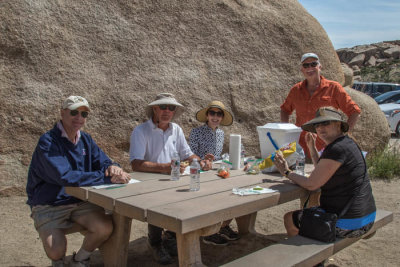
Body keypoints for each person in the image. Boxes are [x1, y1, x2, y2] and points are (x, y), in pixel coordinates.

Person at [26, 96, 131, 267]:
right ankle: (59, 262)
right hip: (49, 203)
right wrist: (106, 177)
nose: (79, 118)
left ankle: (80, 259)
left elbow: (103, 160)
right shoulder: (48, 141)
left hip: (78, 202)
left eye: (84, 114)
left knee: (104, 228)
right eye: (74, 112)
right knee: (56, 250)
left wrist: (113, 167)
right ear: (62, 113)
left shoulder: (85, 139)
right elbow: (65, 176)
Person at [129, 93, 212, 265]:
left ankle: (171, 236)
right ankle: (155, 243)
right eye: (163, 107)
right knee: (157, 205)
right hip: (149, 182)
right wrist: (165, 168)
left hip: (173, 178)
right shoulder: (141, 130)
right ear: (154, 108)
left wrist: (201, 161)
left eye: (171, 107)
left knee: (189, 195)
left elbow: (188, 155)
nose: (167, 111)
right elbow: (136, 164)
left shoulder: (176, 129)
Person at [274, 107, 376, 241]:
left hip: (348, 223)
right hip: (366, 216)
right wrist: (312, 148)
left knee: (290, 219)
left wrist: (286, 172)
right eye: (317, 125)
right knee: (311, 211)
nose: (320, 128)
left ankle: (309, 260)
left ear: (338, 125)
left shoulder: (337, 149)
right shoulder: (347, 143)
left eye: (325, 123)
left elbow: (312, 184)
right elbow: (322, 172)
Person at [280, 53, 361, 158]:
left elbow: (354, 111)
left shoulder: (333, 88)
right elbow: (285, 110)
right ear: (302, 70)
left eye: (313, 64)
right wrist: (287, 133)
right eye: (306, 65)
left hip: (327, 149)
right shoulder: (296, 90)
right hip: (301, 150)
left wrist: (343, 136)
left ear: (320, 66)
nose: (310, 68)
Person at [189, 100, 239, 245]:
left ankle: (222, 226)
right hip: (199, 173)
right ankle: (209, 232)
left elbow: (217, 156)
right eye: (212, 113)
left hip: (215, 172)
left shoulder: (221, 133)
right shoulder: (196, 132)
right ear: (207, 115)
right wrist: (202, 160)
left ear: (222, 118)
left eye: (219, 114)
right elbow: (190, 154)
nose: (215, 117)